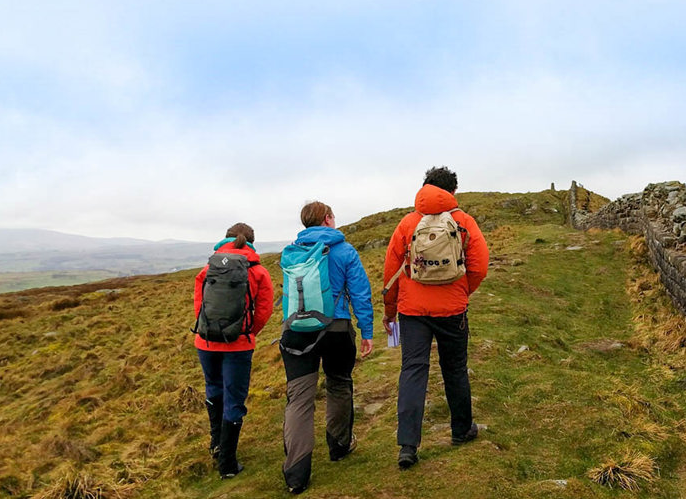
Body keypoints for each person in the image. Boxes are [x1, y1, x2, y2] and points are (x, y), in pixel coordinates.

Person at [382, 166, 489, 469]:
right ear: (452, 191)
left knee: (413, 371)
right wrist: (461, 291)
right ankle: (461, 430)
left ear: (425, 187)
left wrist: (390, 312)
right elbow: (480, 265)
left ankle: (407, 446)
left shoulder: (407, 223)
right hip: (453, 310)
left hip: (412, 312)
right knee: (455, 368)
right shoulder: (464, 221)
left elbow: (391, 271)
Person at [281, 201, 374, 495]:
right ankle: (339, 446)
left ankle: (296, 474)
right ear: (327, 218)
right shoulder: (345, 251)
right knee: (338, 384)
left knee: (299, 399)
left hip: (296, 330)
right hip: (336, 328)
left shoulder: (292, 252)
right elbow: (360, 292)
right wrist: (367, 332)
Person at [193, 222, 275, 479]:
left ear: (225, 239)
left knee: (213, 388)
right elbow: (264, 310)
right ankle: (227, 463)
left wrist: (210, 332)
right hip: (238, 344)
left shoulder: (208, 268)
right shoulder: (258, 270)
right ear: (251, 241)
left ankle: (216, 445)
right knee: (234, 398)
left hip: (206, 342)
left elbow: (200, 306)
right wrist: (248, 333)